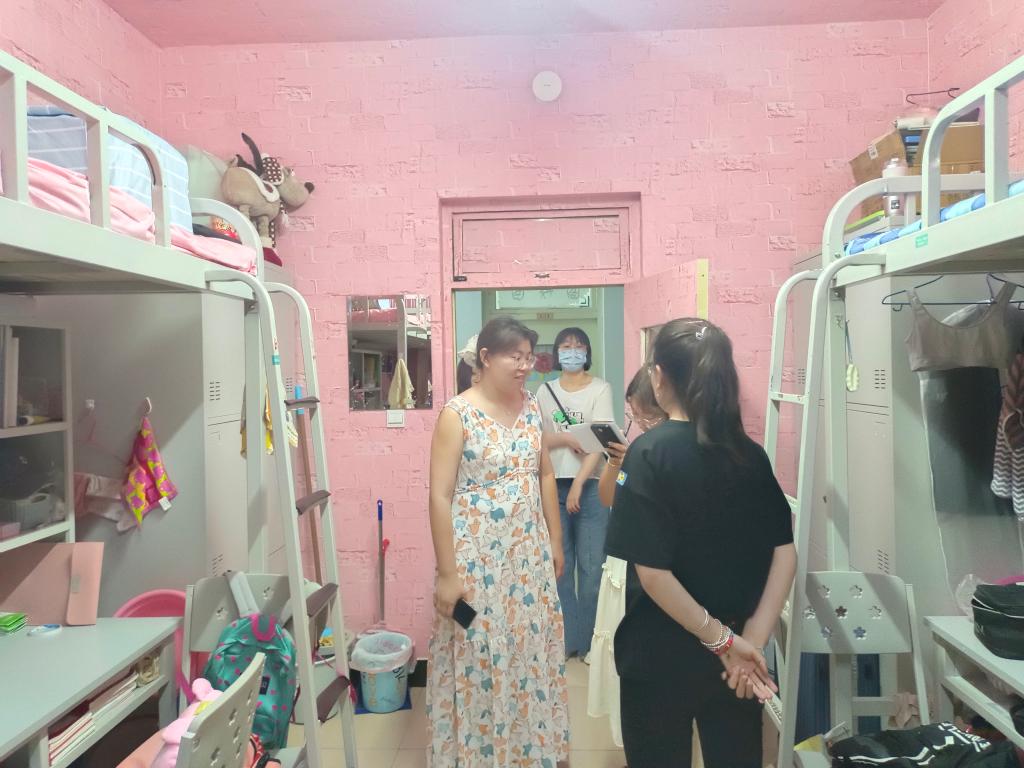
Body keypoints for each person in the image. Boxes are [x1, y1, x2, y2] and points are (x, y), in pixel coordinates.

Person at [605, 318, 797, 768]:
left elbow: (653, 575)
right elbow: (784, 553)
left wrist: (723, 642)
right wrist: (750, 642)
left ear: (659, 377)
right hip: (737, 662)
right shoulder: (750, 454)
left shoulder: (648, 453)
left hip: (661, 655)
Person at [427, 316, 571, 768]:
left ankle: (529, 750)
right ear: (486, 357)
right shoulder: (457, 414)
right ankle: (481, 754)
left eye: (529, 357)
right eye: (515, 356)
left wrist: (555, 540)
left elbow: (544, 473)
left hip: (528, 558)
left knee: (529, 650)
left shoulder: (531, 406)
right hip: (476, 561)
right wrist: (447, 575)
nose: (525, 365)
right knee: (478, 651)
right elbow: (439, 496)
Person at [587, 367, 667, 748]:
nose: (638, 424)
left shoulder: (671, 451)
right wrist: (616, 462)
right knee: (622, 655)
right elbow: (608, 497)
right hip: (623, 564)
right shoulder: (634, 453)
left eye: (645, 416)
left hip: (658, 567)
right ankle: (633, 742)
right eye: (633, 415)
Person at [537, 326, 615, 662]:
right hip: (553, 484)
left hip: (592, 486)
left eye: (578, 345)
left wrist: (581, 483)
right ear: (557, 352)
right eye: (566, 346)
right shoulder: (544, 391)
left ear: (587, 352)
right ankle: (567, 641)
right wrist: (567, 439)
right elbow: (538, 438)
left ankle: (590, 644)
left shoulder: (600, 388)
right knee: (561, 567)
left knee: (593, 567)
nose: (572, 351)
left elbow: (601, 439)